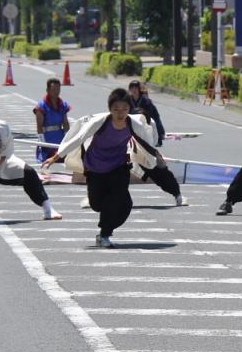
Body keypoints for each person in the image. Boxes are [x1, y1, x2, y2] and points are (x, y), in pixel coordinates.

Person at [44, 89, 160, 248]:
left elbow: (148, 141)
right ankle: (105, 227)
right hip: (96, 167)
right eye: (116, 109)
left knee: (124, 204)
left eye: (125, 109)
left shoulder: (134, 123)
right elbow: (78, 138)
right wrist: (56, 156)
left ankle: (104, 233)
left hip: (119, 166)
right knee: (98, 204)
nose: (120, 113)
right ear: (110, 109)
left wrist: (154, 157)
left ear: (129, 109)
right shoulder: (100, 122)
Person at [33, 77, 71, 163]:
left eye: (58, 89)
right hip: (47, 137)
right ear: (48, 90)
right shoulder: (41, 106)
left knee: (64, 159)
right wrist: (42, 142)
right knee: (47, 162)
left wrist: (67, 137)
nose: (56, 92)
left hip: (60, 137)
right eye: (54, 89)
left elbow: (65, 122)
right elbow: (39, 126)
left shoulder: (62, 105)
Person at [128, 80, 165, 146]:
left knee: (155, 123)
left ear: (139, 89)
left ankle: (159, 138)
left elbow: (150, 112)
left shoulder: (146, 100)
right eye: (132, 88)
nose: (134, 90)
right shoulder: (128, 100)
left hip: (148, 115)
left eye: (136, 88)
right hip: (134, 118)